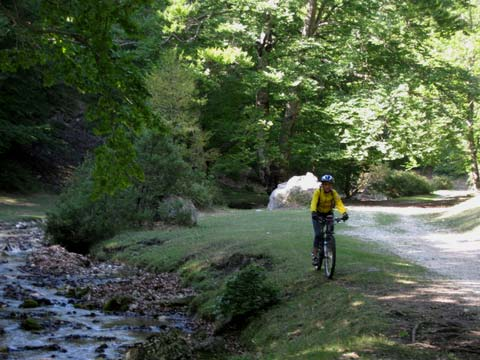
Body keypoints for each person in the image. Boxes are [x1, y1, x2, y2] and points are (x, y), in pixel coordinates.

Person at [310, 174, 349, 267]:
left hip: (328, 213)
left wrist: (344, 213)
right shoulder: (318, 192)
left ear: (332, 185)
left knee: (330, 232)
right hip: (318, 214)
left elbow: (339, 203)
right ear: (322, 184)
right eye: (325, 184)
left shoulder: (333, 193)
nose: (328, 186)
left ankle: (328, 247)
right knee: (318, 234)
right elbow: (313, 203)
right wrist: (313, 213)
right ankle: (315, 255)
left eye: (330, 184)